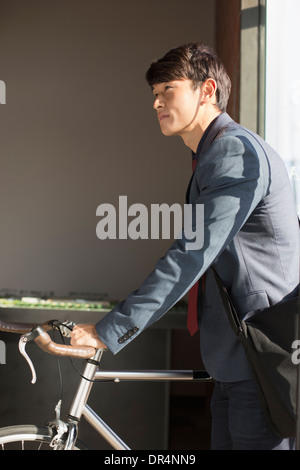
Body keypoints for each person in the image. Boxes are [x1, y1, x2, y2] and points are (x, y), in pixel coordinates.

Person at [70, 43, 299, 450]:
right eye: (154, 93)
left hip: (258, 358)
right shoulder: (210, 155)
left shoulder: (234, 152)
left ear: (206, 90)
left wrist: (109, 331)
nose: (156, 101)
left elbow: (191, 255)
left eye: (167, 90)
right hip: (234, 361)